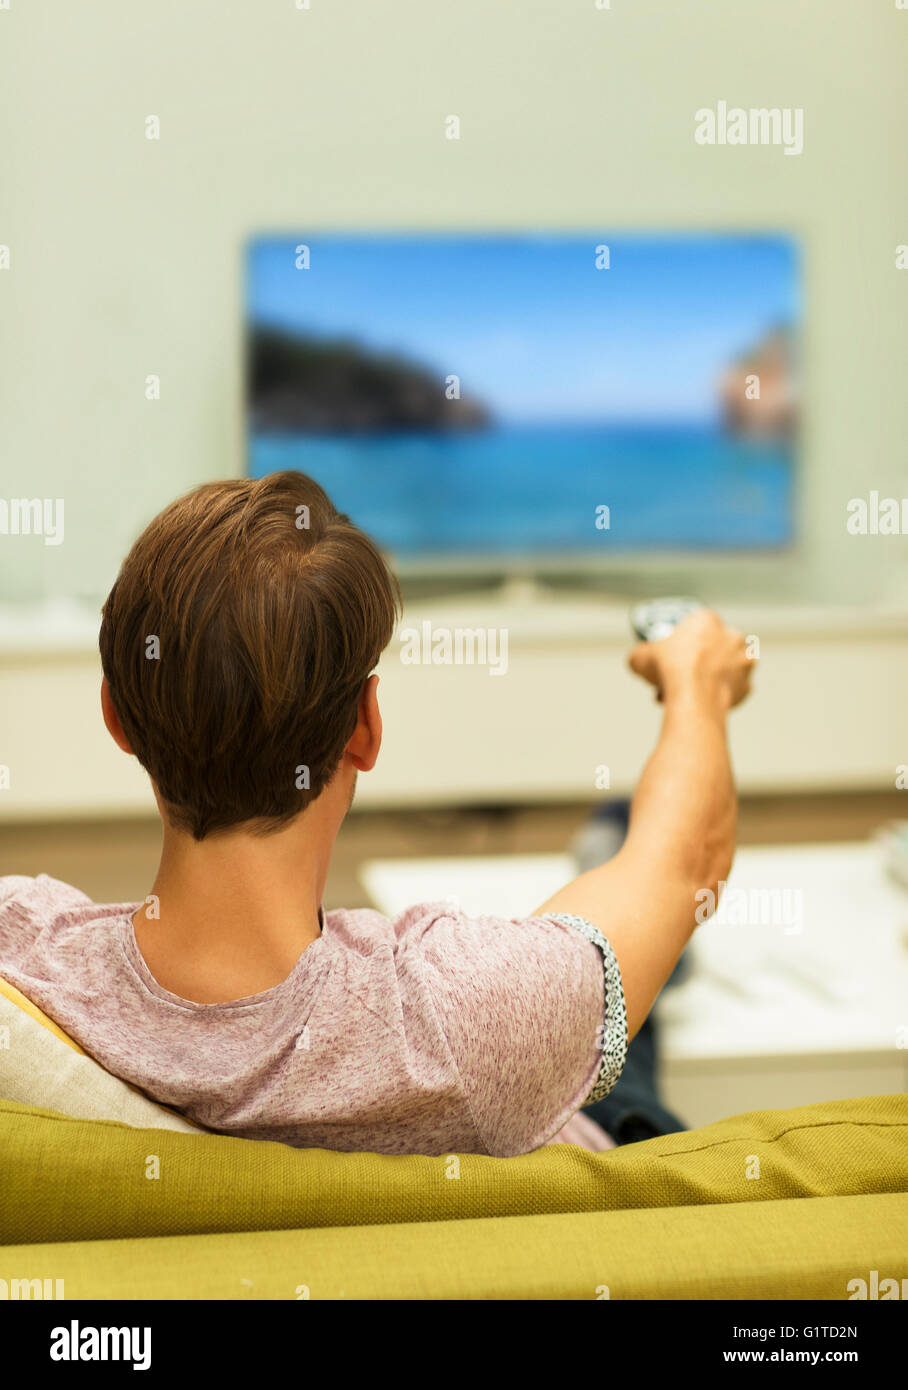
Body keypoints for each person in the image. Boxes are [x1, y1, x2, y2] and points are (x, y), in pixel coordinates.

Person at [0, 471, 755, 1157]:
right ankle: (617, 882)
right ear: (366, 727)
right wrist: (698, 684)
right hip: (585, 1134)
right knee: (627, 973)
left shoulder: (25, 962)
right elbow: (689, 861)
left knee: (611, 949)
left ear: (116, 717)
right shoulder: (464, 1016)